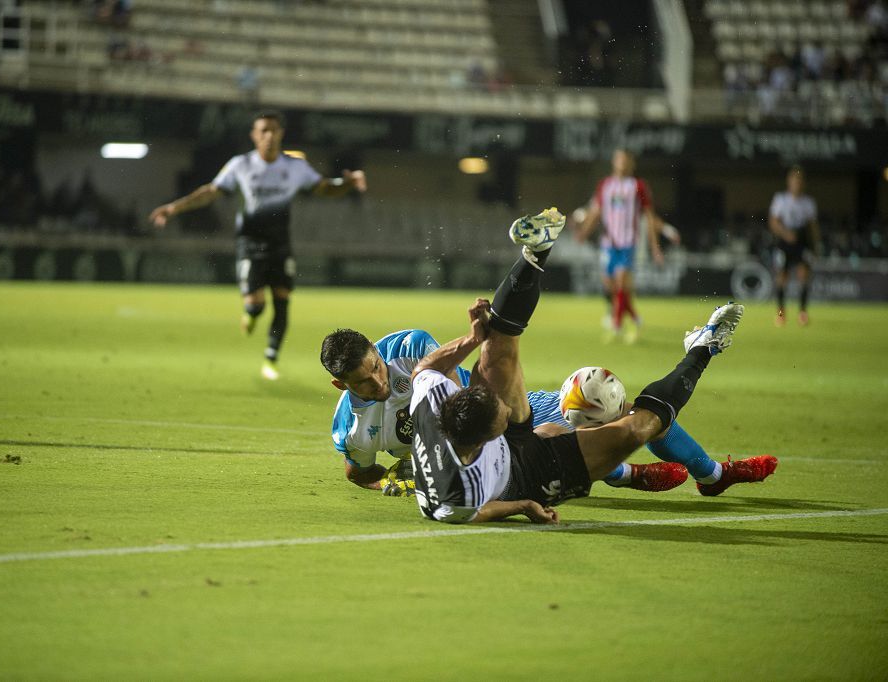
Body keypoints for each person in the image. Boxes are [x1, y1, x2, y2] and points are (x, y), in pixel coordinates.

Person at [409, 207, 752, 524]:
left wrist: (471, 340)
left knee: (496, 344)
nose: (505, 402)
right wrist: (524, 506)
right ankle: (703, 348)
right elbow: (480, 511)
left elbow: (423, 369)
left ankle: (536, 252)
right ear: (487, 437)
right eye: (500, 412)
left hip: (489, 443)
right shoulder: (459, 498)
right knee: (639, 427)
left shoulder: (431, 402)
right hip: (525, 476)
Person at [321, 328, 774, 498]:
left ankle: (713, 474)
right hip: (493, 469)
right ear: (341, 386)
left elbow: (468, 407)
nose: (379, 382)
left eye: (376, 367)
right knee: (564, 440)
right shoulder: (352, 430)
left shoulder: (408, 349)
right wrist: (392, 478)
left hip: (499, 418)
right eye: (364, 382)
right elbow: (358, 473)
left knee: (607, 402)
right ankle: (630, 476)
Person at [149, 110, 367, 380]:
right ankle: (250, 313)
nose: (269, 135)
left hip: (280, 244)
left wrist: (346, 183)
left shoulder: (295, 167)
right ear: (254, 135)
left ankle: (270, 359)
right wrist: (173, 208)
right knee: (256, 304)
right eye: (263, 130)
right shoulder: (240, 165)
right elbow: (210, 192)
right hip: (250, 243)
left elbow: (324, 187)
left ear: (281, 134)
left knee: (283, 300)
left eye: (274, 130)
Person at [573, 149, 668, 343]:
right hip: (608, 244)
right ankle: (635, 319)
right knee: (612, 287)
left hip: (629, 243)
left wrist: (655, 245)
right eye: (619, 160)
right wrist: (584, 232)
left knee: (621, 280)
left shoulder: (638, 186)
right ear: (614, 162)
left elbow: (649, 216)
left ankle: (616, 327)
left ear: (631, 163)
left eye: (625, 160)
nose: (622, 163)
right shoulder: (605, 185)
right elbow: (596, 212)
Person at [769, 166, 821, 326]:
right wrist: (785, 234)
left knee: (804, 275)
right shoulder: (780, 199)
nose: (797, 183)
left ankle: (802, 313)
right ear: (789, 181)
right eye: (794, 179)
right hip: (785, 242)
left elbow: (812, 226)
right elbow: (773, 221)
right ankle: (780, 313)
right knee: (782, 278)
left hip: (801, 241)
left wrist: (816, 245)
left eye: (799, 180)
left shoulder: (808, 202)